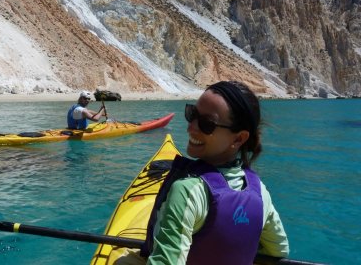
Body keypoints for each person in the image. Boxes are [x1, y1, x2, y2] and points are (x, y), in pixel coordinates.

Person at [118, 81, 289, 264]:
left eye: (207, 124)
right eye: (192, 114)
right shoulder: (261, 193)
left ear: (239, 138)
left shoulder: (187, 191)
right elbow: (279, 249)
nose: (191, 127)